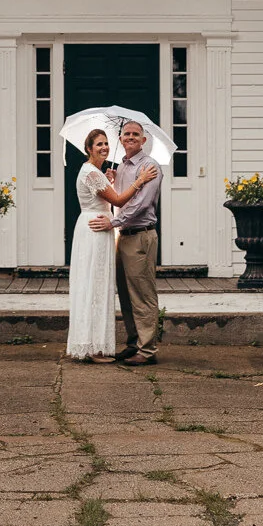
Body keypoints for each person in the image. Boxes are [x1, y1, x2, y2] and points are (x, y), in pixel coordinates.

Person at [65, 128, 157, 363]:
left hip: (105, 228)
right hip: (97, 229)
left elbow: (112, 199)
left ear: (143, 140)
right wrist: (139, 181)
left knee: (100, 285)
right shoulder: (91, 172)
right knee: (94, 285)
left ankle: (110, 345)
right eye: (99, 144)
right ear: (88, 149)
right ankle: (93, 347)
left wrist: (111, 182)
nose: (104, 147)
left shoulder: (100, 173)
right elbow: (116, 200)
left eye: (106, 143)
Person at [105, 119, 163, 365]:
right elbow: (121, 198)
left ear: (143, 140)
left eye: (135, 134)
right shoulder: (121, 166)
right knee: (126, 294)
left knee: (142, 294)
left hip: (140, 235)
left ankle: (147, 350)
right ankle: (134, 343)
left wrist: (113, 222)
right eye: (126, 134)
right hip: (124, 237)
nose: (130, 137)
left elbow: (141, 204)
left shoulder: (150, 166)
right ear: (120, 139)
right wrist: (112, 180)